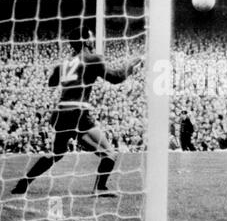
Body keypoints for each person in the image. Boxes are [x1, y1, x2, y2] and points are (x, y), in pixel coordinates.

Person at [11, 25, 141, 196]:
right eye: (92, 37)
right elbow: (115, 78)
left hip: (60, 113)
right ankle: (99, 188)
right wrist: (131, 64)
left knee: (57, 153)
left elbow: (52, 82)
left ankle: (24, 183)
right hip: (78, 112)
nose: (93, 40)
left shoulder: (63, 64)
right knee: (109, 152)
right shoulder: (93, 58)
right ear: (87, 40)